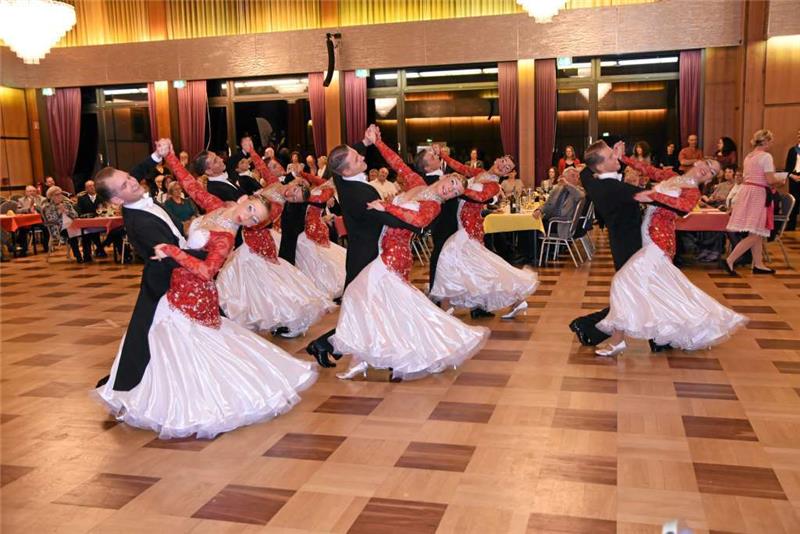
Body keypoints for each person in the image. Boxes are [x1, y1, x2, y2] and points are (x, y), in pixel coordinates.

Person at [96, 139, 316, 440]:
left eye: (254, 219)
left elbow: (208, 269)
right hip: (174, 281)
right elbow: (189, 183)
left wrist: (173, 252)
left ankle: (170, 392)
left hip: (189, 281)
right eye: (250, 208)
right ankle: (135, 385)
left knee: (168, 336)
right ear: (244, 199)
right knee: (156, 336)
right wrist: (167, 156)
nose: (248, 216)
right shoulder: (214, 208)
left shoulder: (226, 233)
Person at [330, 130, 487, 381]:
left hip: (394, 255)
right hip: (382, 251)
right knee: (380, 304)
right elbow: (397, 163)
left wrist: (388, 206)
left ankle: (387, 354)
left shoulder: (433, 205)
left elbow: (416, 222)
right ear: (448, 176)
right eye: (452, 183)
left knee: (366, 298)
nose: (450, 190)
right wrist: (376, 142)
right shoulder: (417, 183)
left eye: (455, 192)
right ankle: (362, 357)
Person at [595, 159, 747, 355]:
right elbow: (648, 169)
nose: (706, 170)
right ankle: (700, 326)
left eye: (712, 172)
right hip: (648, 237)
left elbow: (683, 207)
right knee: (665, 288)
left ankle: (618, 340)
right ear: (698, 161)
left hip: (660, 242)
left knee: (623, 280)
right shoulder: (672, 177)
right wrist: (623, 157)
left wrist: (653, 195)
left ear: (710, 178)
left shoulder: (693, 192)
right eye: (708, 164)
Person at [305, 125, 422, 368]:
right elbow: (386, 217)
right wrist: (417, 225)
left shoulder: (342, 177)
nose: (363, 157)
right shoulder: (360, 193)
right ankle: (332, 345)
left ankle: (328, 346)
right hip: (365, 258)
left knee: (364, 311)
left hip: (364, 253)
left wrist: (365, 142)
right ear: (347, 169)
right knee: (365, 310)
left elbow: (347, 156)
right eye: (358, 159)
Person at [215, 138, 333, 338]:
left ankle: (285, 316)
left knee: (266, 282)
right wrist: (251, 151)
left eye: (295, 196)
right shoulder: (276, 185)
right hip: (254, 241)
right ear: (293, 181)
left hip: (258, 242)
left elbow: (259, 221)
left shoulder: (278, 206)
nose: (291, 193)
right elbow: (263, 168)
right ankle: (279, 316)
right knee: (257, 282)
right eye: (293, 188)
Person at [431, 149, 537, 319]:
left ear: (509, 173)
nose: (504, 167)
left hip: (470, 228)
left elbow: (478, 197)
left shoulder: (494, 186)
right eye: (503, 162)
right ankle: (516, 300)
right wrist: (442, 155)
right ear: (497, 159)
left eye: (508, 167)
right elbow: (459, 167)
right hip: (462, 224)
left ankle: (446, 305)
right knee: (478, 268)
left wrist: (458, 188)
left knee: (449, 256)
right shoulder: (479, 173)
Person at [569, 140, 650, 348]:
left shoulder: (593, 181)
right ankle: (590, 326)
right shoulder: (615, 188)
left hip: (624, 245)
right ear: (600, 166)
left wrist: (609, 157)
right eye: (612, 157)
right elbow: (657, 198)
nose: (617, 158)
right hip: (629, 248)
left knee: (637, 294)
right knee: (634, 295)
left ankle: (589, 328)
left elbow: (586, 172)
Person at [724, 129, 787, 275]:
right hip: (758, 194)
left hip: (748, 192)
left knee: (756, 230)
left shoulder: (749, 156)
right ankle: (730, 260)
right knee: (756, 233)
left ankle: (758, 264)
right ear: (765, 141)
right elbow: (770, 180)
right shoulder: (766, 157)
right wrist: (781, 180)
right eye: (771, 141)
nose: (772, 144)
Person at [295, 178, 347, 301]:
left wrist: (304, 174)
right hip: (314, 228)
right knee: (318, 256)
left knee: (319, 257)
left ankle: (327, 285)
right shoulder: (319, 195)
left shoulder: (315, 196)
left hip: (313, 229)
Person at [538, 167, 585, 239]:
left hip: (562, 223)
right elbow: (548, 204)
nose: (576, 178)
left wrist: (567, 184)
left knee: (534, 228)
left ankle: (540, 249)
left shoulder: (579, 190)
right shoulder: (557, 188)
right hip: (550, 218)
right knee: (532, 222)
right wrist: (539, 210)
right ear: (564, 177)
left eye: (577, 176)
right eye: (573, 176)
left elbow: (580, 196)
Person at [42, 186, 86, 262]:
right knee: (71, 232)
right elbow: (51, 220)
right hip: (59, 228)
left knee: (86, 231)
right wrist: (59, 212)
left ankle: (88, 254)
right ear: (51, 196)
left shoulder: (67, 204)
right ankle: (78, 256)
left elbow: (76, 215)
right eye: (57, 194)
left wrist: (66, 211)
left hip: (73, 225)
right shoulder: (48, 207)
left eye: (60, 194)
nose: (60, 196)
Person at [75, 179, 108, 259]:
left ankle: (93, 253)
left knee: (113, 231)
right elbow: (79, 212)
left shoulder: (101, 198)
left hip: (102, 223)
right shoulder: (82, 199)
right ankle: (96, 251)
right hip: (88, 224)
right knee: (88, 232)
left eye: (93, 185)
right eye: (89, 186)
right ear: (86, 189)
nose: (92, 187)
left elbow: (105, 209)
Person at [15, 185, 49, 254]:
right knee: (22, 229)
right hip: (27, 221)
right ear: (26, 192)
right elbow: (17, 211)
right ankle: (23, 250)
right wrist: (28, 208)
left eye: (33, 191)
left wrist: (36, 206)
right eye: (30, 191)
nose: (32, 193)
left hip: (39, 220)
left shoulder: (42, 199)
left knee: (46, 228)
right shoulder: (21, 200)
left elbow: (45, 210)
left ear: (36, 192)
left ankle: (46, 246)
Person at [785, 128, 800, 231]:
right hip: (794, 178)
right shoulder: (792, 150)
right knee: (794, 202)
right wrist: (791, 175)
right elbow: (788, 168)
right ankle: (791, 226)